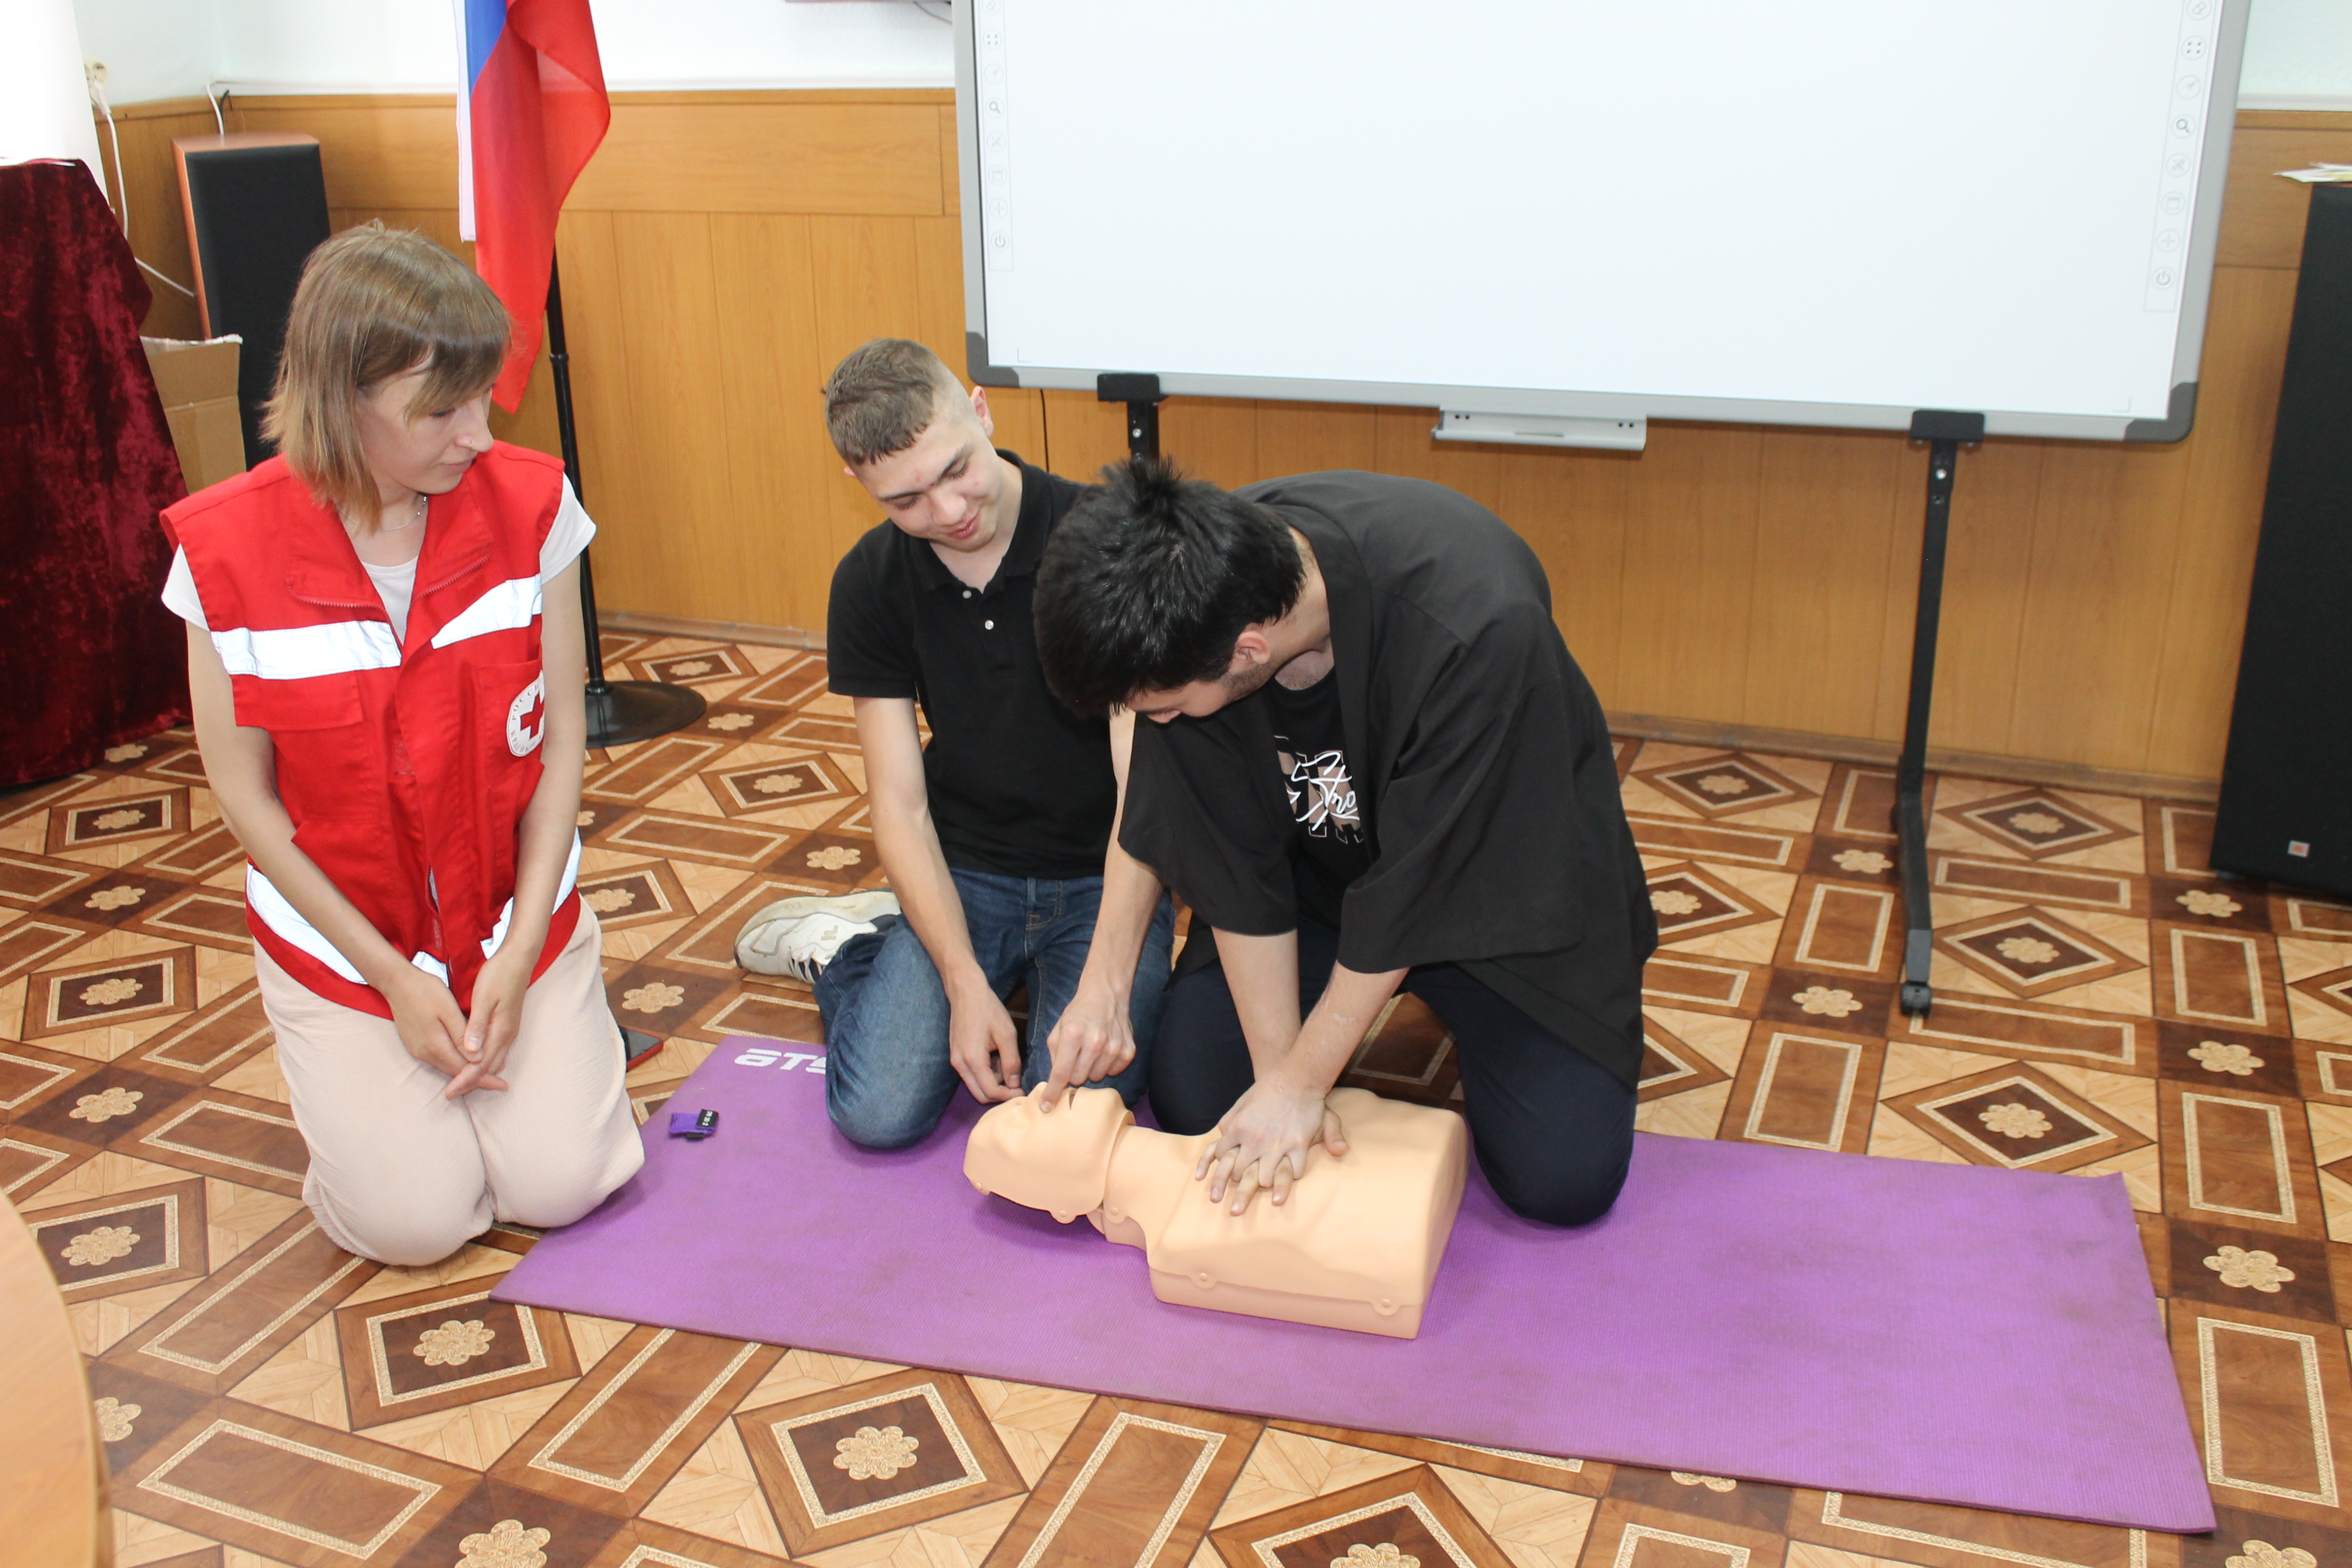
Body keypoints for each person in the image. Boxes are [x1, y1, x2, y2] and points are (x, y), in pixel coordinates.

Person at [161, 224, 643, 1266]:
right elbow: (245, 800)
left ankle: (531, 1047)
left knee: (565, 1186)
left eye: (481, 398)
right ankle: (379, 1106)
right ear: (344, 400)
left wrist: (520, 950)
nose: (478, 435)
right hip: (346, 939)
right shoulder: (222, 551)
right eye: (440, 411)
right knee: (411, 1226)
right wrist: (390, 977)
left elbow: (561, 741)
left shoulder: (535, 505)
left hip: (510, 912)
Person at [1032, 458, 1658, 1226]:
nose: (1156, 722)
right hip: (1321, 881)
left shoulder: (1476, 627)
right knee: (1202, 1097)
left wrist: (1306, 1084)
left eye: (1163, 709)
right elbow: (1232, 866)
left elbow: (1417, 885)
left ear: (1250, 652)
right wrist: (1281, 1080)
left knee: (1562, 1180)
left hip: (1497, 892)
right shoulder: (1188, 603)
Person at [733, 340, 1175, 1148]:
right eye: (905, 500)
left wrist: (1108, 983)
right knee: (878, 1114)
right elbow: (901, 807)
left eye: (955, 470)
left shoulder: (1109, 540)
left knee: (1066, 1121)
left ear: (981, 411)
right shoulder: (869, 581)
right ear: (858, 484)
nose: (947, 512)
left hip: (1103, 871)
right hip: (967, 872)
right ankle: (853, 956)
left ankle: (990, 972)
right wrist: (962, 982)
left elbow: (1143, 793)